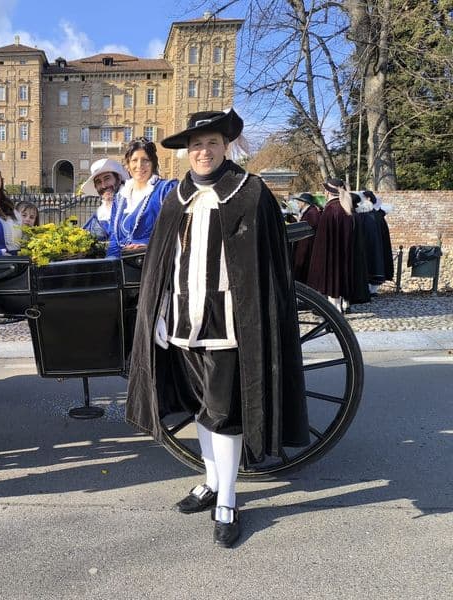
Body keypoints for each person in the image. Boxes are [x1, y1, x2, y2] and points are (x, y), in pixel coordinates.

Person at [125, 109, 309, 548]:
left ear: (225, 145)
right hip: (183, 320)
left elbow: (266, 266)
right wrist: (158, 314)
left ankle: (227, 498)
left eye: (210, 143)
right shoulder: (177, 196)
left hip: (230, 321)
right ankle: (210, 480)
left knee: (223, 410)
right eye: (195, 145)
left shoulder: (251, 193)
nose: (202, 152)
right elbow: (163, 262)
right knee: (203, 407)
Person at [106, 139, 178, 258]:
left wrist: (150, 245)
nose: (139, 166)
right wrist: (111, 264)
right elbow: (114, 239)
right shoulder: (120, 197)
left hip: (155, 263)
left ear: (153, 164)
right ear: (128, 165)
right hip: (125, 267)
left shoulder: (165, 190)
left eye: (145, 160)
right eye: (134, 160)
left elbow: (178, 231)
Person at [307, 178, 356, 311]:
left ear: (328, 192)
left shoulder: (331, 209)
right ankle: (340, 306)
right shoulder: (345, 208)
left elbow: (323, 238)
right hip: (344, 254)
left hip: (332, 255)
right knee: (340, 283)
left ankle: (335, 312)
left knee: (332, 285)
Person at [81, 158, 127, 241]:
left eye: (107, 178)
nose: (103, 186)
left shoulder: (133, 202)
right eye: (98, 182)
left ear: (119, 179)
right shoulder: (99, 213)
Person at [291, 192, 323, 284]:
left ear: (304, 203)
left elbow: (311, 228)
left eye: (299, 202)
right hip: (304, 245)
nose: (298, 204)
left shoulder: (312, 212)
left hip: (307, 246)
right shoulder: (310, 211)